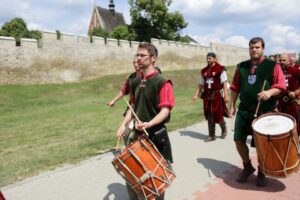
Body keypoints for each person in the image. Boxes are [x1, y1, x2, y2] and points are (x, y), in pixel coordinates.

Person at [116, 42, 174, 200]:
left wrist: (150, 123)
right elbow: (132, 106)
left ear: (153, 58)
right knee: (131, 175)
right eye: (137, 55)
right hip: (137, 136)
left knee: (156, 179)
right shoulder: (135, 81)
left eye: (142, 55)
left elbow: (165, 110)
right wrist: (123, 125)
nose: (138, 58)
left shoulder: (162, 81)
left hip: (155, 135)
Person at [229, 37, 286, 187]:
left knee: (261, 144)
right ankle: (247, 166)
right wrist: (232, 106)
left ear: (263, 49)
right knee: (238, 139)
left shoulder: (272, 66)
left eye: (257, 47)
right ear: (249, 49)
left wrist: (270, 92)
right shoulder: (241, 67)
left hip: (264, 111)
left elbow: (280, 86)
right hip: (244, 110)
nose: (254, 50)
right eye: (252, 47)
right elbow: (235, 88)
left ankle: (262, 170)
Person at [193, 52, 228, 142]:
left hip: (217, 95)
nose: (208, 60)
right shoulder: (204, 71)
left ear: (215, 59)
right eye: (207, 58)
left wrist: (226, 95)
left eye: (210, 58)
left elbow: (224, 83)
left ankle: (224, 129)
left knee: (218, 113)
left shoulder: (220, 69)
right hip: (207, 96)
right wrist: (196, 94)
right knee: (209, 114)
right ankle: (211, 135)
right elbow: (201, 84)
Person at [278, 53, 300, 135]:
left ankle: (295, 143)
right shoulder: (278, 72)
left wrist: (295, 93)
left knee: (294, 125)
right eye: (280, 60)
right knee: (281, 126)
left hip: (292, 103)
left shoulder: (296, 71)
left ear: (289, 61)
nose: (282, 62)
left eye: (284, 60)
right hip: (280, 103)